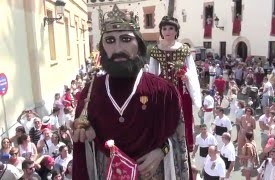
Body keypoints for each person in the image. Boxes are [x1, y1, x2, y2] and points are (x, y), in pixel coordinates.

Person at [72, 5, 189, 180]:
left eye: (126, 39)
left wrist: (161, 151)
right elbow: (85, 150)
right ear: (102, 48)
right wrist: (87, 136)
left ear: (139, 45)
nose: (118, 48)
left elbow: (177, 139)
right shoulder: (91, 92)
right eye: (110, 41)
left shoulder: (165, 91)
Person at [148, 15, 202, 152]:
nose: (167, 31)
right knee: (162, 115)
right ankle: (163, 143)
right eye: (164, 28)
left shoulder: (184, 49)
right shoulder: (155, 49)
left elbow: (192, 71)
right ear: (161, 31)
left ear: (176, 31)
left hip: (180, 88)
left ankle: (184, 144)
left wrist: (186, 76)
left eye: (171, 28)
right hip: (162, 88)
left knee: (183, 115)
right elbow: (152, 73)